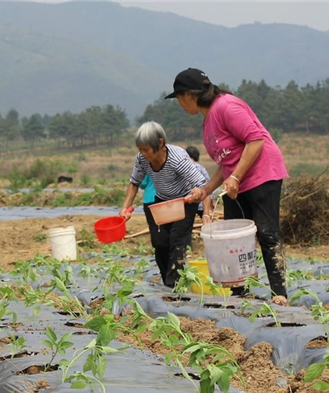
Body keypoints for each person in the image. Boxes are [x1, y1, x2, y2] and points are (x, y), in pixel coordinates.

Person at [168, 68, 289, 306]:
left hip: (263, 174)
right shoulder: (207, 122)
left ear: (189, 95)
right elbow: (225, 163)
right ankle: (240, 295)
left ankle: (280, 294)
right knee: (233, 238)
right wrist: (205, 190)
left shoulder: (227, 107)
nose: (180, 104)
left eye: (179, 98)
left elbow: (256, 141)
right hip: (238, 180)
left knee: (266, 232)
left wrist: (235, 177)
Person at [120, 121, 207, 287]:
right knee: (159, 243)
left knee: (177, 241)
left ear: (160, 143)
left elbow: (200, 182)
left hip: (184, 202)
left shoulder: (177, 159)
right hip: (163, 200)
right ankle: (167, 282)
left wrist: (197, 192)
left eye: (146, 149)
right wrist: (125, 207)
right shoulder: (142, 159)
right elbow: (134, 182)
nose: (143, 154)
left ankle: (175, 285)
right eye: (140, 149)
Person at [185, 145, 213, 221]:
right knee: (206, 222)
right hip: (201, 202)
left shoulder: (182, 167)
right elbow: (208, 185)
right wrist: (211, 203)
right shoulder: (201, 168)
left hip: (187, 202)